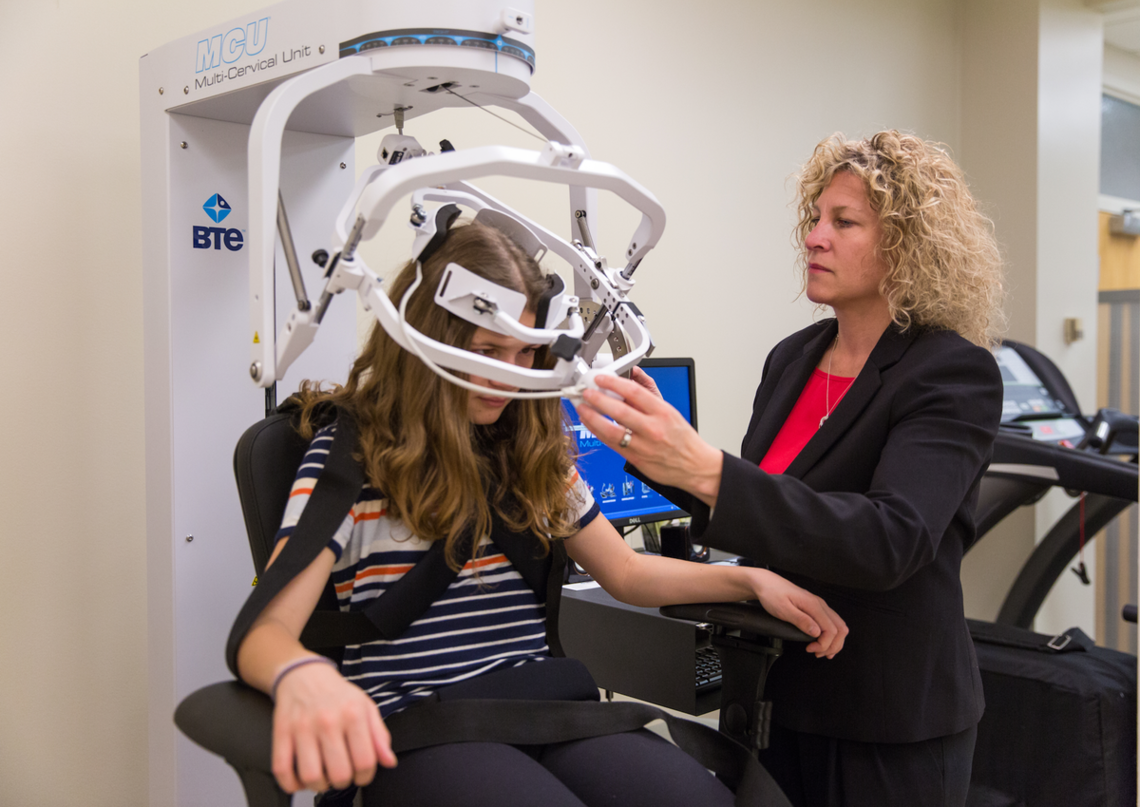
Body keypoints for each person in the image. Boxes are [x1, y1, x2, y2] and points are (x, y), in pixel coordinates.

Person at [234, 220, 847, 807]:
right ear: (427, 339)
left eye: (526, 354)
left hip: (548, 706)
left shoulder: (530, 446)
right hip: (419, 722)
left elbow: (627, 574)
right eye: (487, 350)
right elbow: (264, 634)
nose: (509, 376)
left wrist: (749, 579)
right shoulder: (352, 452)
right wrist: (297, 678)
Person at [576, 130, 1005, 807]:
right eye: (814, 217)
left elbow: (891, 538)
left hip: (885, 721)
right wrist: (653, 448)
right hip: (774, 694)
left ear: (906, 245)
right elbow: (768, 507)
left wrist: (708, 467)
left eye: (844, 222)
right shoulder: (793, 358)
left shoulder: (950, 371)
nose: (814, 236)